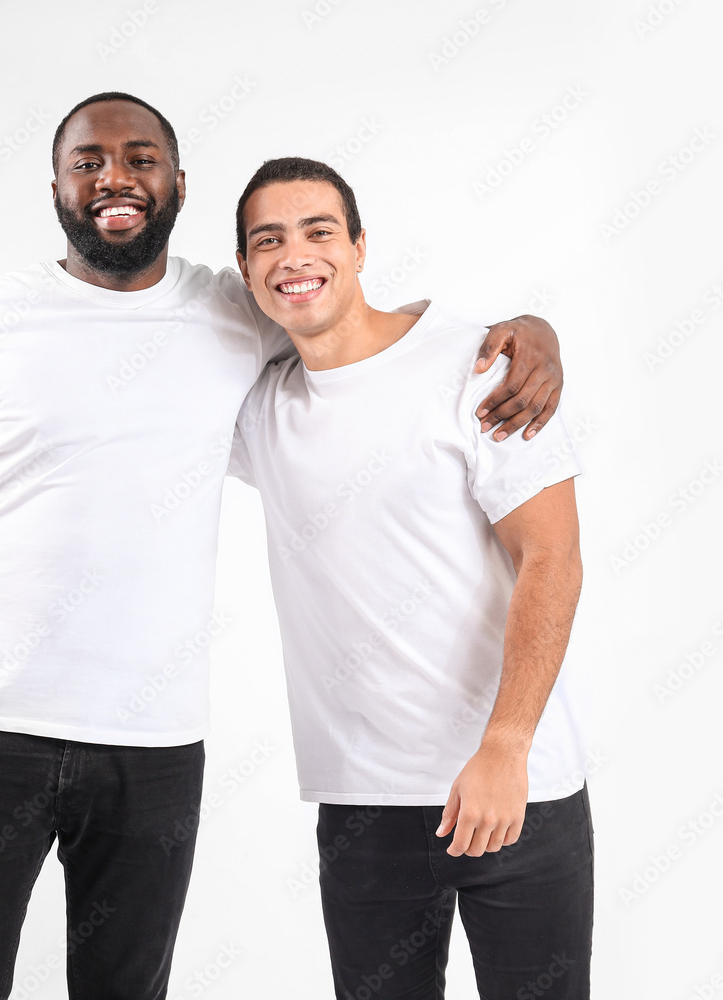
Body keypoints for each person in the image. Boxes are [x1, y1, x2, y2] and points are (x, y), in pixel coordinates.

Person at [0, 92, 566, 1000]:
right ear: (54, 183)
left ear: (176, 184)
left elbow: (367, 340)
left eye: (140, 158)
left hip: (155, 748)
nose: (115, 178)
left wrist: (530, 332)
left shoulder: (235, 312)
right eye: (88, 161)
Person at [228, 156, 591, 999]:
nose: (294, 256)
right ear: (245, 270)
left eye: (318, 231)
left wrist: (505, 746)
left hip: (517, 790)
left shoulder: (480, 367)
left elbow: (552, 559)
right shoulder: (258, 406)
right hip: (362, 810)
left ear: (358, 246)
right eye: (267, 240)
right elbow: (138, 338)